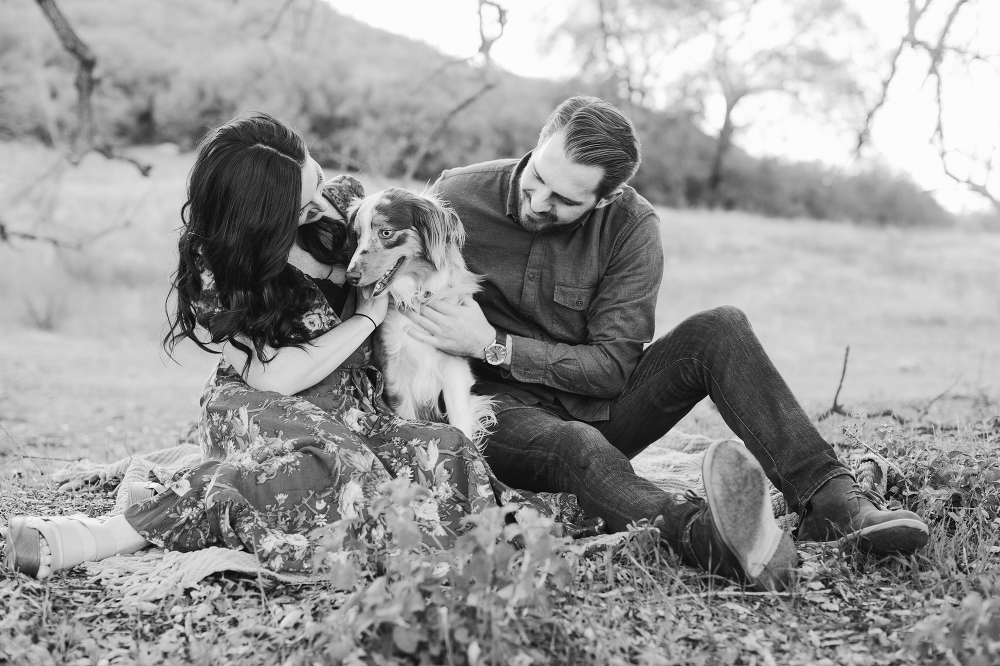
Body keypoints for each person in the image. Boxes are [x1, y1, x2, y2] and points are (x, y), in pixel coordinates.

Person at [4, 112, 584, 579]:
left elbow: (416, 250)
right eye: (302, 206)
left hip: (355, 406)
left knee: (442, 455)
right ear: (261, 218)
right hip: (267, 403)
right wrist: (366, 315)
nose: (321, 205)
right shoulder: (225, 268)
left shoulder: (343, 210)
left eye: (314, 178)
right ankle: (100, 534)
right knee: (328, 466)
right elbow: (273, 378)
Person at [404, 95, 930, 589]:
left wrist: (496, 344)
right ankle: (709, 535)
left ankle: (832, 503)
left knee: (720, 327)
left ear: (604, 198)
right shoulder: (455, 197)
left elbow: (612, 369)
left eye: (564, 200)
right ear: (539, 142)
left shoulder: (631, 227)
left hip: (597, 403)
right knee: (577, 446)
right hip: (494, 410)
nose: (538, 201)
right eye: (538, 177)